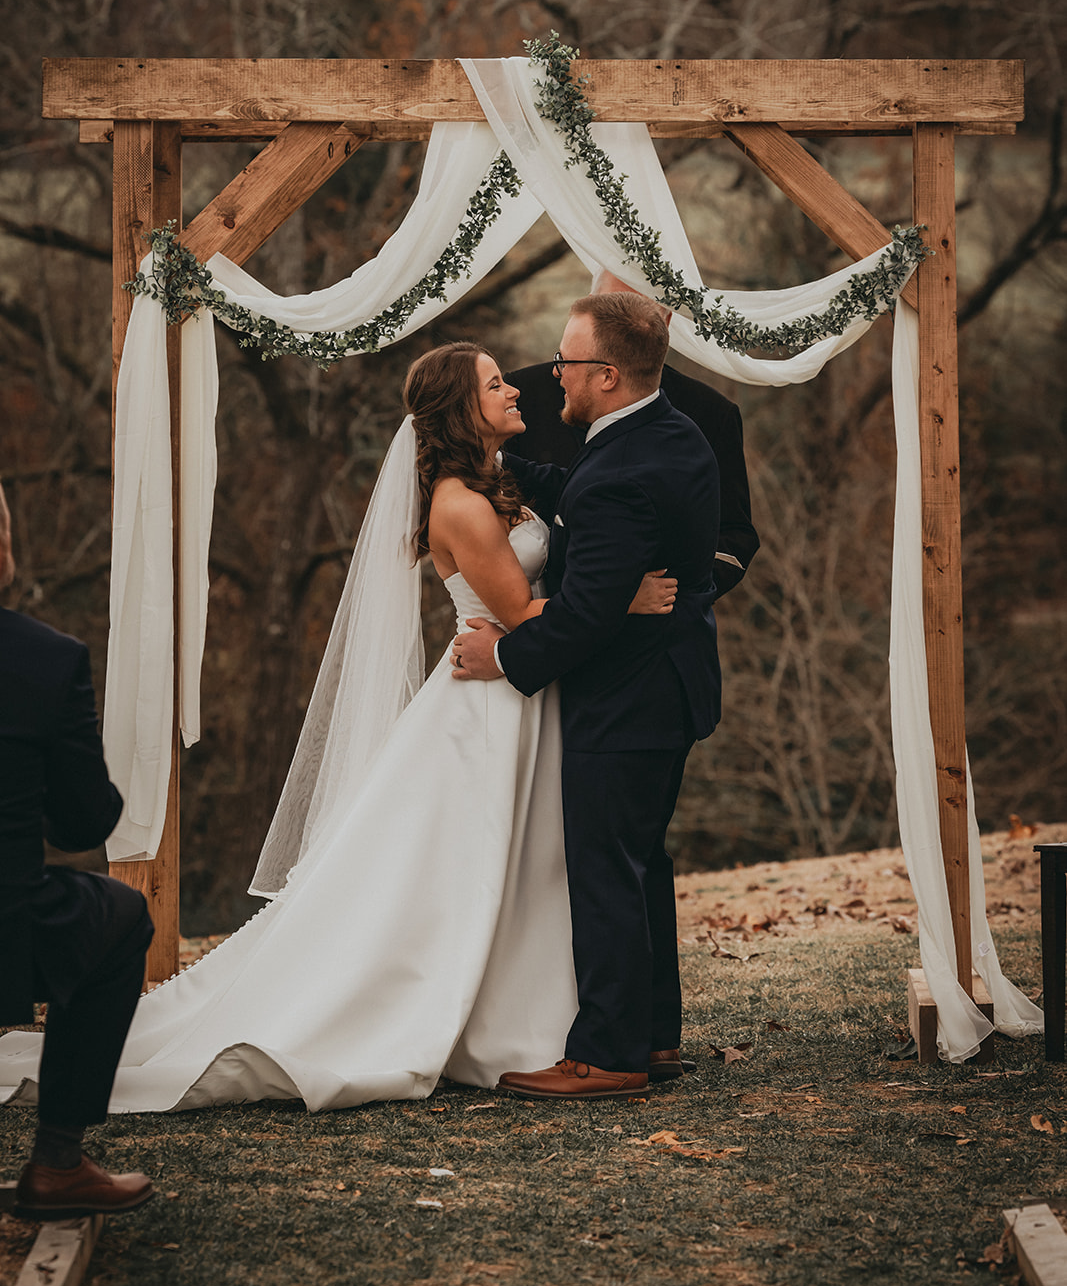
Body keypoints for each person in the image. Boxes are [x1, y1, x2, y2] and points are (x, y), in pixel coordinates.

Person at [0, 346, 671, 1115]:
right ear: (463, 410)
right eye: (495, 385)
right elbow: (519, 613)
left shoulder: (500, 482)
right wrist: (621, 600)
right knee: (476, 863)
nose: (513, 391)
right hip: (489, 700)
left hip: (521, 687)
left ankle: (529, 1012)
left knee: (523, 863)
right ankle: (482, 1020)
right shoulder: (459, 502)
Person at [452, 293, 721, 1100]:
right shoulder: (667, 433)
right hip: (668, 689)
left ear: (605, 375)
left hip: (626, 702)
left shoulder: (621, 473)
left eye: (564, 363)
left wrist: (504, 656)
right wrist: (493, 465)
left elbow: (582, 617)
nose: (551, 377)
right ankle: (654, 1037)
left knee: (605, 873)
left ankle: (608, 1056)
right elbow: (577, 493)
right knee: (639, 869)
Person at [0, 481, 155, 1217]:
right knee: (122, 916)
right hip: (7, 933)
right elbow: (82, 825)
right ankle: (58, 1162)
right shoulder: (44, 661)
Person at [505, 270, 758, 600]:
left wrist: (659, 594)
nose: (621, 324)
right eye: (609, 309)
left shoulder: (710, 413)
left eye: (638, 313)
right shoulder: (521, 394)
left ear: (665, 322)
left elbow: (732, 540)